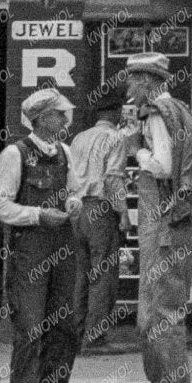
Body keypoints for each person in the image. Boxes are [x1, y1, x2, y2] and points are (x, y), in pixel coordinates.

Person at [114, 53, 192, 383]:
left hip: (169, 228)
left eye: (132, 81)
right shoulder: (173, 111)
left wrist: (136, 149)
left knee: (161, 313)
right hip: (166, 228)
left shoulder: (158, 114)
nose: (129, 88)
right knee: (151, 315)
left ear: (147, 82)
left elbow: (162, 165)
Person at [0, 87, 79, 383]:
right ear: (43, 118)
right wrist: (39, 215)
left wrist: (72, 204)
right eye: (60, 114)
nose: (65, 119)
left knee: (64, 321)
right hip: (29, 246)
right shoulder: (16, 154)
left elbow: (74, 191)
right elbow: (0, 206)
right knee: (29, 324)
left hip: (62, 242)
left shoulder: (65, 152)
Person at [65, 76, 132, 350]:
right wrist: (124, 214)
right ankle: (95, 336)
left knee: (81, 273)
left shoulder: (79, 137)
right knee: (103, 273)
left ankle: (77, 334)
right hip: (100, 210)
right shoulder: (116, 138)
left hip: (77, 210)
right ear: (116, 112)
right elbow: (113, 179)